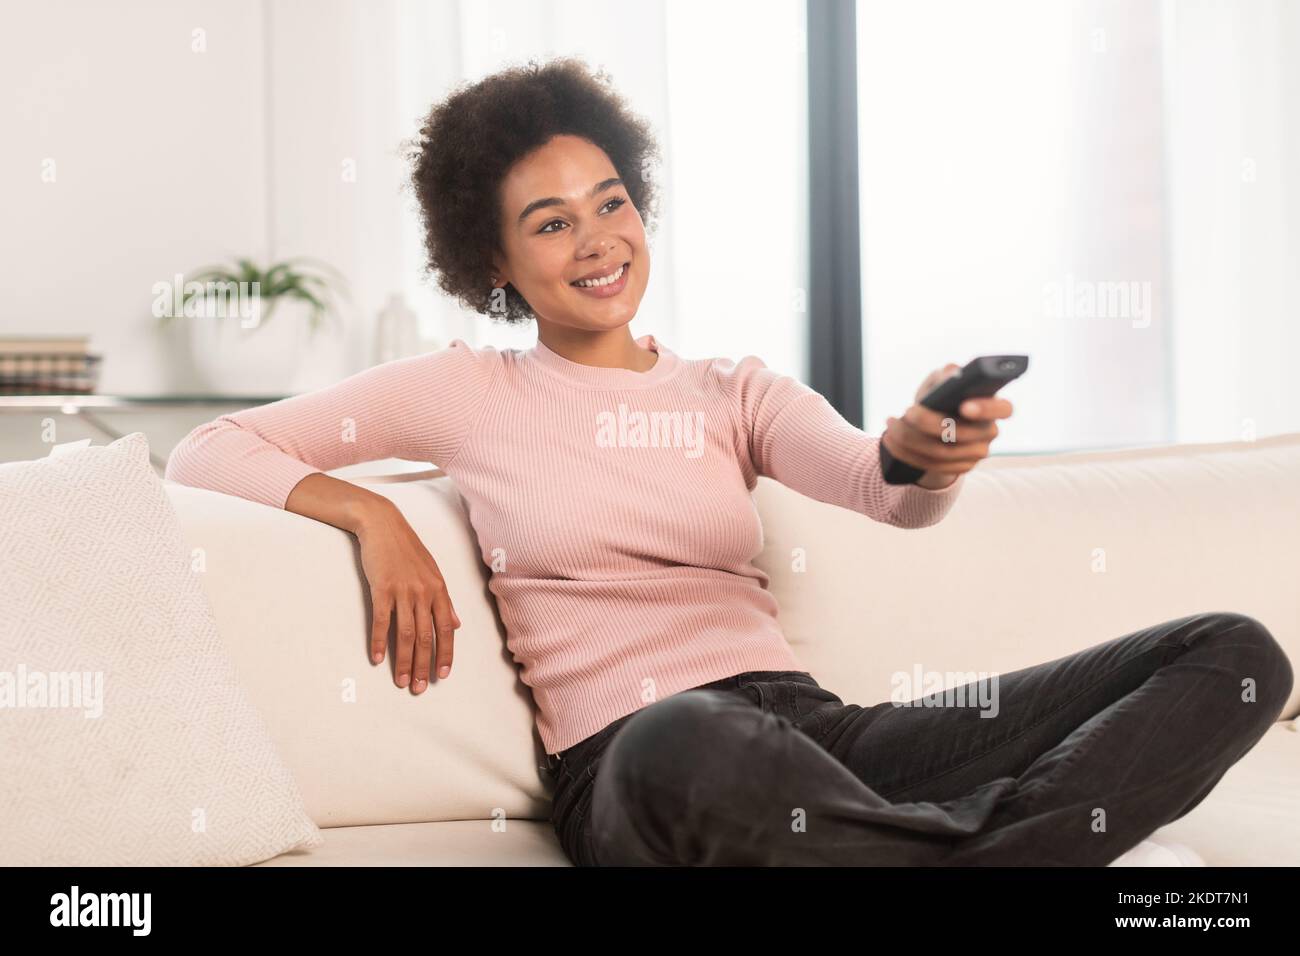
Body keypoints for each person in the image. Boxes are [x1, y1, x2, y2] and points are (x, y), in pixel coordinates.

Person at [164, 56, 1294, 866]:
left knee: (1234, 652)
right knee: (686, 726)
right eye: (550, 223)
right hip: (641, 764)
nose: (597, 237)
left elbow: (878, 485)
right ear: (493, 260)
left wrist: (923, 451)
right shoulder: (468, 389)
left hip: (819, 744)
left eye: (610, 203)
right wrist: (374, 517)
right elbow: (211, 446)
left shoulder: (730, 389)